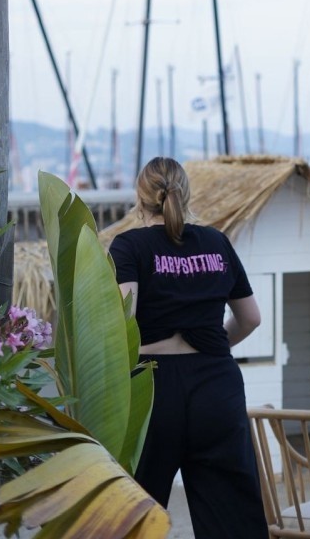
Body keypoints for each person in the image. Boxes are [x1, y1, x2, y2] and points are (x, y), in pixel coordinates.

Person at [109, 156, 268, 539]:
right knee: (232, 517)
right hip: (217, 386)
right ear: (186, 192)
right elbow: (250, 319)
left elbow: (122, 320)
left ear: (140, 197)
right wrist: (211, 349)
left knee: (134, 514)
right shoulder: (216, 242)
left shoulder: (129, 246)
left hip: (152, 389)